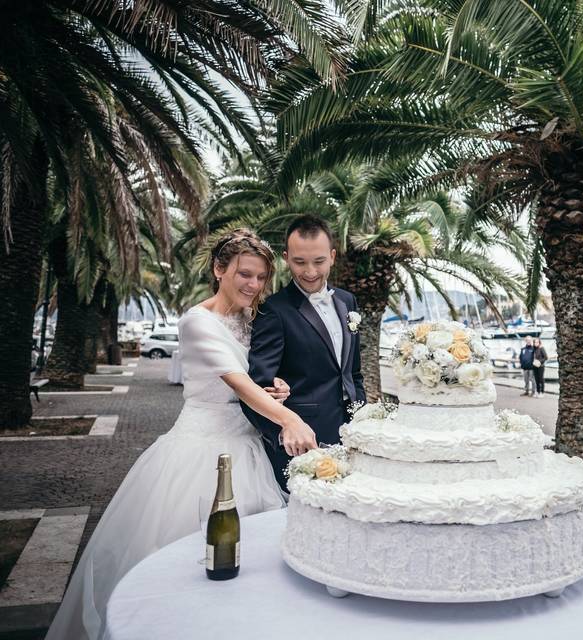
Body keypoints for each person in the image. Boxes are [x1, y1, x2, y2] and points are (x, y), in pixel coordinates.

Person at [45, 229, 312, 640]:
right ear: (219, 270)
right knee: (187, 563)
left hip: (247, 448)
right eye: (244, 274)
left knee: (252, 565)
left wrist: (274, 388)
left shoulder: (248, 319)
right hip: (199, 452)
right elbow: (237, 384)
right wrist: (289, 419)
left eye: (261, 278)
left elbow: (251, 382)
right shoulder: (196, 321)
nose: (253, 285)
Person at [242, 215, 366, 491]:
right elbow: (256, 388)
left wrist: (362, 418)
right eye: (299, 262)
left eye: (319, 261)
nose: (310, 271)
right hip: (302, 443)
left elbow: (353, 371)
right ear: (286, 258)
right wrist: (282, 437)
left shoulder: (347, 301)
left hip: (352, 436)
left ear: (333, 256)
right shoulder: (273, 310)